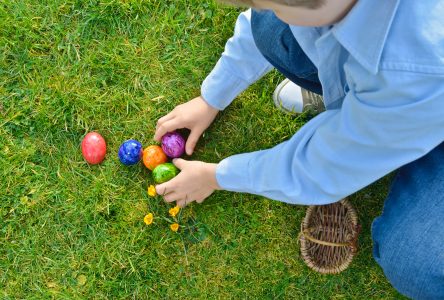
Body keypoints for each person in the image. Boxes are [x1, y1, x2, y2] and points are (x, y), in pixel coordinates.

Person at [153, 0, 444, 298]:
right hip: (406, 94)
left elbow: (317, 169)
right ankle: (365, 112)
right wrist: (212, 97)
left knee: (412, 259)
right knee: (270, 29)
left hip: (423, 87)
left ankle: (382, 131)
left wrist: (215, 176)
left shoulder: (414, 68)